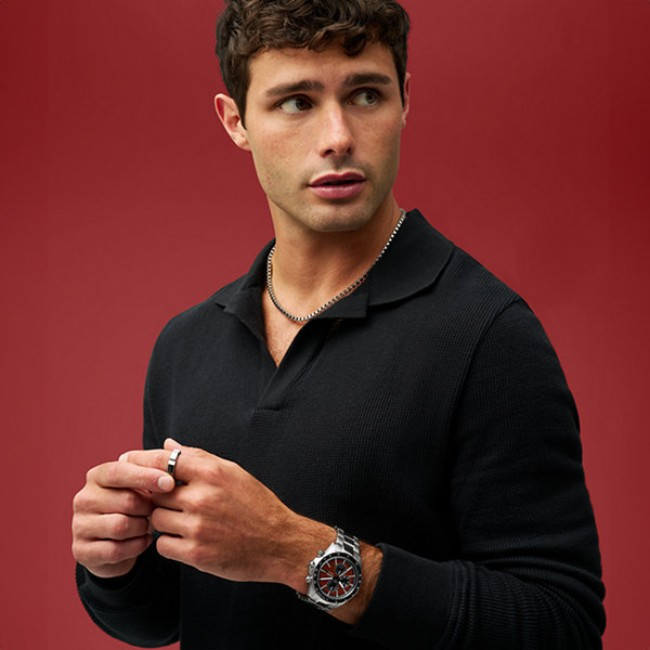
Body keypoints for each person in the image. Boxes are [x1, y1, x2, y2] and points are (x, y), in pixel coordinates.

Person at [71, 1, 606, 648]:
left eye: (365, 95)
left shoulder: (488, 335)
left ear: (404, 101)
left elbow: (561, 625)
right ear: (236, 121)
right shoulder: (186, 345)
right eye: (297, 102)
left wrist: (296, 552)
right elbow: (170, 614)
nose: (338, 137)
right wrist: (114, 565)